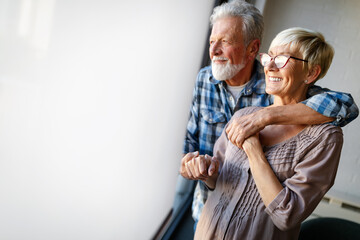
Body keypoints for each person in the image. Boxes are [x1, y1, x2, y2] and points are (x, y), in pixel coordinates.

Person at [179, 0, 358, 230]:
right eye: (213, 41)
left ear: (253, 48)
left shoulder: (278, 84)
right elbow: (191, 137)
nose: (213, 51)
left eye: (225, 42)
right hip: (206, 207)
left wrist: (267, 116)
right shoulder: (204, 78)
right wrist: (189, 164)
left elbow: (345, 106)